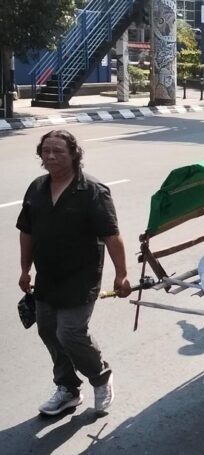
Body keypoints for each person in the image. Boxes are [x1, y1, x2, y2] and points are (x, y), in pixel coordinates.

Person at [17, 130, 131, 416]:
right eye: (46, 151)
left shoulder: (92, 190)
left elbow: (112, 235)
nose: (51, 156)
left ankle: (100, 376)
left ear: (74, 154)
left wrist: (122, 274)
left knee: (70, 333)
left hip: (81, 275)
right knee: (47, 330)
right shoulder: (37, 188)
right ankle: (68, 388)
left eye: (59, 151)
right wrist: (24, 269)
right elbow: (27, 232)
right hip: (47, 276)